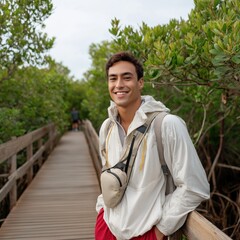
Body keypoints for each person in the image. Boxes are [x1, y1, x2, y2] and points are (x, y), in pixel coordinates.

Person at [95, 51, 210, 240]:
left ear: (140, 82)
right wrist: (101, 211)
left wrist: (160, 231)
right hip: (107, 226)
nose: (118, 85)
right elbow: (107, 172)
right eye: (112, 78)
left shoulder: (167, 125)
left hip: (145, 232)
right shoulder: (107, 127)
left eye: (127, 77)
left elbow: (195, 186)